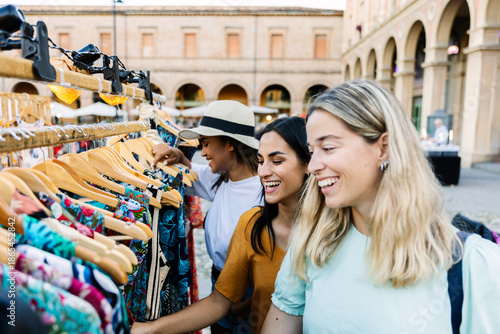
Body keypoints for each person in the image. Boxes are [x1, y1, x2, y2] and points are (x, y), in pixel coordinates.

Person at [262, 80, 500, 333]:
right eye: (312, 151)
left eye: (328, 147)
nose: (312, 166)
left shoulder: (471, 263)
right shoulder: (312, 245)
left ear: (384, 147)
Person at [131, 116, 310, 334]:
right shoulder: (243, 211)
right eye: (261, 160)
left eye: (277, 161)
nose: (263, 171)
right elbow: (218, 302)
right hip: (228, 285)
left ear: (310, 164)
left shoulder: (336, 231)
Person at [146, 100, 260, 333]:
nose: (203, 152)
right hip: (221, 286)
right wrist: (177, 155)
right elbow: (192, 173)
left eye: (206, 144)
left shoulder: (264, 190)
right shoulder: (221, 177)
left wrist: (243, 305)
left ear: (230, 144)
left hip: (250, 294)